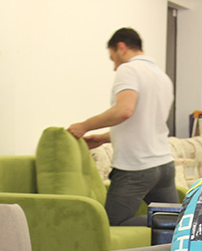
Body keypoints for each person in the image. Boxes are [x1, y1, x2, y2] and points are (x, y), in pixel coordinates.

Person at [67, 27, 177, 226]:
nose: (114, 67)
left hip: (136, 166)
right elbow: (146, 124)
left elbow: (124, 111)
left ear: (121, 47)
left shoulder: (129, 69)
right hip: (164, 165)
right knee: (173, 224)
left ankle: (157, 224)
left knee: (112, 227)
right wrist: (103, 138)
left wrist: (84, 126)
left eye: (113, 58)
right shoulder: (163, 77)